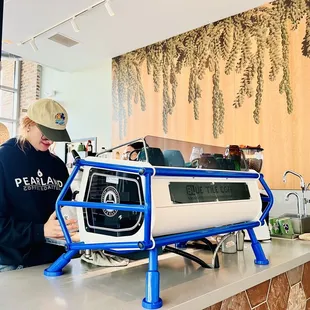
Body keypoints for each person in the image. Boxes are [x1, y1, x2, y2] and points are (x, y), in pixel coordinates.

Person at [0, 98, 78, 272]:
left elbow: (65, 209)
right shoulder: (4, 159)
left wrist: (71, 225)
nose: (50, 139)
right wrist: (40, 231)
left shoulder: (57, 165)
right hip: (14, 264)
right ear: (28, 124)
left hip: (55, 262)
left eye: (55, 134)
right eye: (46, 131)